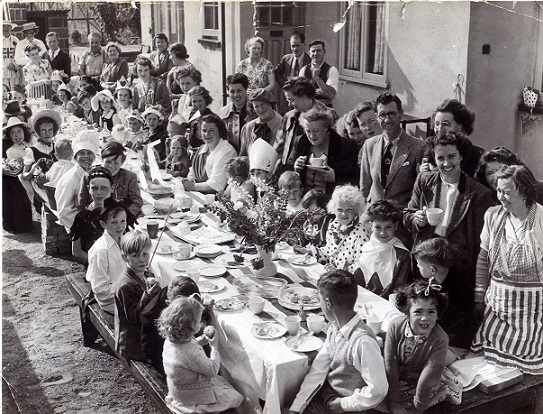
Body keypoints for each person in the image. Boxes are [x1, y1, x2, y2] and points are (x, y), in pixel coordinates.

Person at [471, 164, 543, 374]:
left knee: (527, 372)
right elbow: (483, 259)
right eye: (499, 190)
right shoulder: (493, 216)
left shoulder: (540, 219)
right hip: (499, 307)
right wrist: (479, 296)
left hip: (533, 311)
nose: (500, 196)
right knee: (492, 370)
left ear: (525, 191)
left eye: (507, 192)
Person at [404, 131, 493, 296]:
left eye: (451, 156)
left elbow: (481, 244)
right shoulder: (424, 180)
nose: (446, 163)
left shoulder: (479, 194)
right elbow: (408, 214)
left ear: (460, 157)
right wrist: (417, 220)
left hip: (457, 267)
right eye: (440, 158)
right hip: (425, 261)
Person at [288, 269, 388, 414]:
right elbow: (318, 370)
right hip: (329, 396)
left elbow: (379, 389)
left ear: (327, 303)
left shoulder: (362, 341)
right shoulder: (334, 328)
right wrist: (296, 408)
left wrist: (344, 404)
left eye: (320, 300)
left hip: (349, 406)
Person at [384, 280, 462, 413]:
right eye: (418, 312)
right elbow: (390, 362)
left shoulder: (440, 339)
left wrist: (417, 409)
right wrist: (394, 401)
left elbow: (427, 381)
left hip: (424, 383)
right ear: (407, 312)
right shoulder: (395, 326)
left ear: (438, 314)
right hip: (396, 378)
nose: (425, 318)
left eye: (431, 312)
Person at [158, 296, 243, 413]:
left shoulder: (172, 340)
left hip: (179, 389)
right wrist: (214, 346)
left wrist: (204, 339)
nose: (202, 322)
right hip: (192, 398)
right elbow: (212, 370)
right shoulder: (189, 353)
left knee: (223, 383)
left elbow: (190, 348)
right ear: (190, 326)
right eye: (199, 321)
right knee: (237, 397)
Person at [141, 276, 214, 375]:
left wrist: (204, 308)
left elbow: (192, 309)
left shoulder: (180, 296)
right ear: (169, 303)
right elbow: (153, 355)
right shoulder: (151, 317)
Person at [413, 237, 476, 349]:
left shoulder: (455, 291)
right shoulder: (439, 277)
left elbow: (452, 324)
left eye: (419, 264)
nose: (417, 266)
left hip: (454, 341)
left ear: (432, 270)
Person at [114, 230, 161, 361]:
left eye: (145, 254)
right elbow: (134, 317)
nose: (142, 260)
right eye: (135, 255)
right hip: (132, 344)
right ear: (125, 257)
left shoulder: (143, 273)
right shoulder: (125, 285)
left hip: (142, 333)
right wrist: (148, 295)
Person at [274, 77, 338, 169]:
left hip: (318, 174)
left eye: (291, 100)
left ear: (304, 95)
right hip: (290, 174)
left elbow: (337, 149)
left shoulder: (329, 115)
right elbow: (278, 148)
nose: (289, 105)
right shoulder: (289, 116)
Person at [294, 108, 360, 196]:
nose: (312, 135)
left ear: (326, 127)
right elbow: (286, 169)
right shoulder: (301, 142)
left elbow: (356, 179)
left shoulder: (344, 146)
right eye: (308, 131)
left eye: (316, 130)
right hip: (303, 198)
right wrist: (295, 168)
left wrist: (335, 177)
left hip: (331, 199)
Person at [353, 200, 411, 299]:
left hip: (385, 303)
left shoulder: (402, 254)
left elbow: (399, 289)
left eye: (388, 227)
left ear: (396, 226)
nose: (383, 233)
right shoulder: (366, 247)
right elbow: (356, 277)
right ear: (371, 225)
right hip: (359, 298)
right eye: (378, 228)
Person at [79, 141, 143, 217]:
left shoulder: (129, 177)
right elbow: (82, 203)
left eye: (116, 163)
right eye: (108, 162)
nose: (111, 166)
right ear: (102, 159)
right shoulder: (88, 176)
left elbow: (137, 201)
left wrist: (124, 216)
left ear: (122, 163)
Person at [422, 99, 483, 177]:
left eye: (445, 124)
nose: (440, 129)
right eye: (437, 124)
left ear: (460, 126)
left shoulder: (476, 155)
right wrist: (424, 174)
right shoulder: (429, 152)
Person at [86, 205, 127, 315]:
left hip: (125, 291)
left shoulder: (124, 239)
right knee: (149, 310)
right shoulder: (101, 250)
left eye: (123, 221)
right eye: (114, 222)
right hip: (110, 301)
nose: (120, 226)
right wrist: (129, 288)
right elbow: (101, 290)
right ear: (103, 224)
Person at [55, 129, 99, 231]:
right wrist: (85, 227)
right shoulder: (71, 179)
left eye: (89, 153)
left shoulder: (88, 172)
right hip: (77, 226)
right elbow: (63, 213)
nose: (86, 156)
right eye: (82, 153)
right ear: (75, 157)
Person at [319, 184, 369, 273]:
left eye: (349, 210)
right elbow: (328, 251)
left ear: (356, 210)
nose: (343, 214)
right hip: (331, 272)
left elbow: (362, 264)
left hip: (347, 277)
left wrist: (341, 270)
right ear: (333, 209)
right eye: (340, 210)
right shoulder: (333, 225)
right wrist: (309, 251)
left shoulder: (361, 232)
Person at [182, 114, 237, 194]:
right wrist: (189, 180)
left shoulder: (226, 152)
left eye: (211, 130)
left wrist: (192, 186)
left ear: (220, 131)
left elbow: (216, 185)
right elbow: (192, 172)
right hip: (200, 194)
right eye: (204, 130)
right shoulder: (202, 149)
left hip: (218, 199)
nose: (207, 134)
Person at [475, 146, 543, 205]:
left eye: (501, 169)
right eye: (490, 173)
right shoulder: (485, 201)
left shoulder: (539, 190)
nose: (496, 176)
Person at [2, 117, 33, 233]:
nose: (16, 135)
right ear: (9, 136)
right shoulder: (11, 150)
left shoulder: (29, 143)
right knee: (19, 197)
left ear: (24, 132)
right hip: (18, 178)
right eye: (13, 133)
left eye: (19, 131)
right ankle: (21, 224)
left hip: (29, 174)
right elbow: (16, 168)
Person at [274, 32, 312, 114]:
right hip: (288, 99)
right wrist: (285, 86)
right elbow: (277, 73)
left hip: (303, 98)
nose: (295, 49)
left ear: (304, 44)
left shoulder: (310, 60)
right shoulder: (286, 58)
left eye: (298, 45)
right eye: (293, 46)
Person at [239, 88, 283, 156]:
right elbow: (243, 157)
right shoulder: (248, 127)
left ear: (270, 103)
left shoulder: (283, 125)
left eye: (262, 104)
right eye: (256, 106)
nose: (260, 109)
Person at [298, 40, 339, 108]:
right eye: (313, 51)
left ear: (324, 52)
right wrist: (320, 91)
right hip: (307, 108)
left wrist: (317, 78)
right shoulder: (304, 70)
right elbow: (300, 93)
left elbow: (331, 95)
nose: (316, 53)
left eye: (318, 50)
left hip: (325, 109)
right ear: (309, 53)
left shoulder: (332, 70)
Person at [218, 73, 251, 153]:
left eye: (239, 91)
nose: (236, 95)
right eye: (232, 91)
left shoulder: (255, 110)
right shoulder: (223, 113)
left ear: (246, 90)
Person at [167, 66, 202, 137]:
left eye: (188, 83)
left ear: (195, 82)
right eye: (182, 84)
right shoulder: (182, 99)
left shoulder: (200, 98)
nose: (185, 87)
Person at [3, 22, 19, 90]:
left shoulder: (16, 40)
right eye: (4, 26)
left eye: (8, 26)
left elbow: (19, 55)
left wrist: (15, 65)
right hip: (2, 74)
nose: (6, 28)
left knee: (14, 93)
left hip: (14, 74)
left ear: (11, 28)